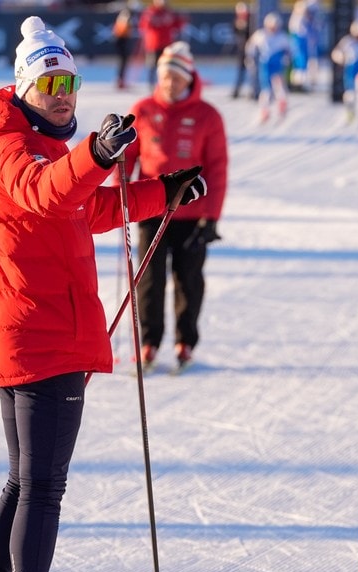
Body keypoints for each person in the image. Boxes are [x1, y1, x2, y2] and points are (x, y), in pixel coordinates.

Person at [0, 16, 207, 572]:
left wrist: (163, 190)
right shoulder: (14, 147)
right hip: (40, 332)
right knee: (42, 485)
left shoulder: (37, 142)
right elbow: (46, 193)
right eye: (50, 82)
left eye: (69, 80)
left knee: (22, 480)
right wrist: (94, 153)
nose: (63, 93)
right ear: (24, 86)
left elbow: (87, 209)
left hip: (32, 331)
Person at [123, 42, 228, 372]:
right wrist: (120, 199)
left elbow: (218, 168)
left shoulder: (207, 116)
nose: (170, 83)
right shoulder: (142, 110)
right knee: (149, 280)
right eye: (165, 76)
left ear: (188, 78)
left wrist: (211, 218)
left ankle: (185, 343)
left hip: (192, 213)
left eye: (177, 77)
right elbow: (127, 159)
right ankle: (148, 343)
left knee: (189, 280)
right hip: (150, 209)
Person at [245, 12, 292, 123]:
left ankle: (281, 106)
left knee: (279, 86)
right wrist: (250, 59)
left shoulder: (282, 37)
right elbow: (250, 46)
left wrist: (287, 58)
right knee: (266, 89)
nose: (274, 28)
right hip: (265, 65)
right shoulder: (261, 35)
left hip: (277, 66)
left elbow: (290, 49)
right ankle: (264, 111)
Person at [138, 0, 186, 87]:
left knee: (167, 66)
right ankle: (151, 85)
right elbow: (143, 26)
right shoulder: (150, 12)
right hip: (154, 44)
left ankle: (164, 85)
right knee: (152, 66)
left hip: (167, 44)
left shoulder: (168, 12)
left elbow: (176, 26)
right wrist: (151, 20)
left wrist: (181, 20)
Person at [287, 0, 323, 92]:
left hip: (307, 35)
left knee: (308, 59)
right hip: (299, 34)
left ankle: (303, 82)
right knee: (299, 58)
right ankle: (297, 83)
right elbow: (300, 8)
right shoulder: (306, 4)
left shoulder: (316, 6)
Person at [111, 2, 140, 90]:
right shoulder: (126, 15)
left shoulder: (125, 14)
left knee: (123, 61)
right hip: (122, 40)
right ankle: (120, 80)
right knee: (123, 61)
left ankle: (121, 79)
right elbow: (124, 28)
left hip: (122, 39)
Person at [230, 1, 252, 99]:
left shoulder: (252, 21)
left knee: (252, 71)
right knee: (241, 71)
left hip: (251, 50)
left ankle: (253, 91)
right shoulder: (238, 21)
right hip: (241, 50)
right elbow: (235, 31)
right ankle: (236, 91)